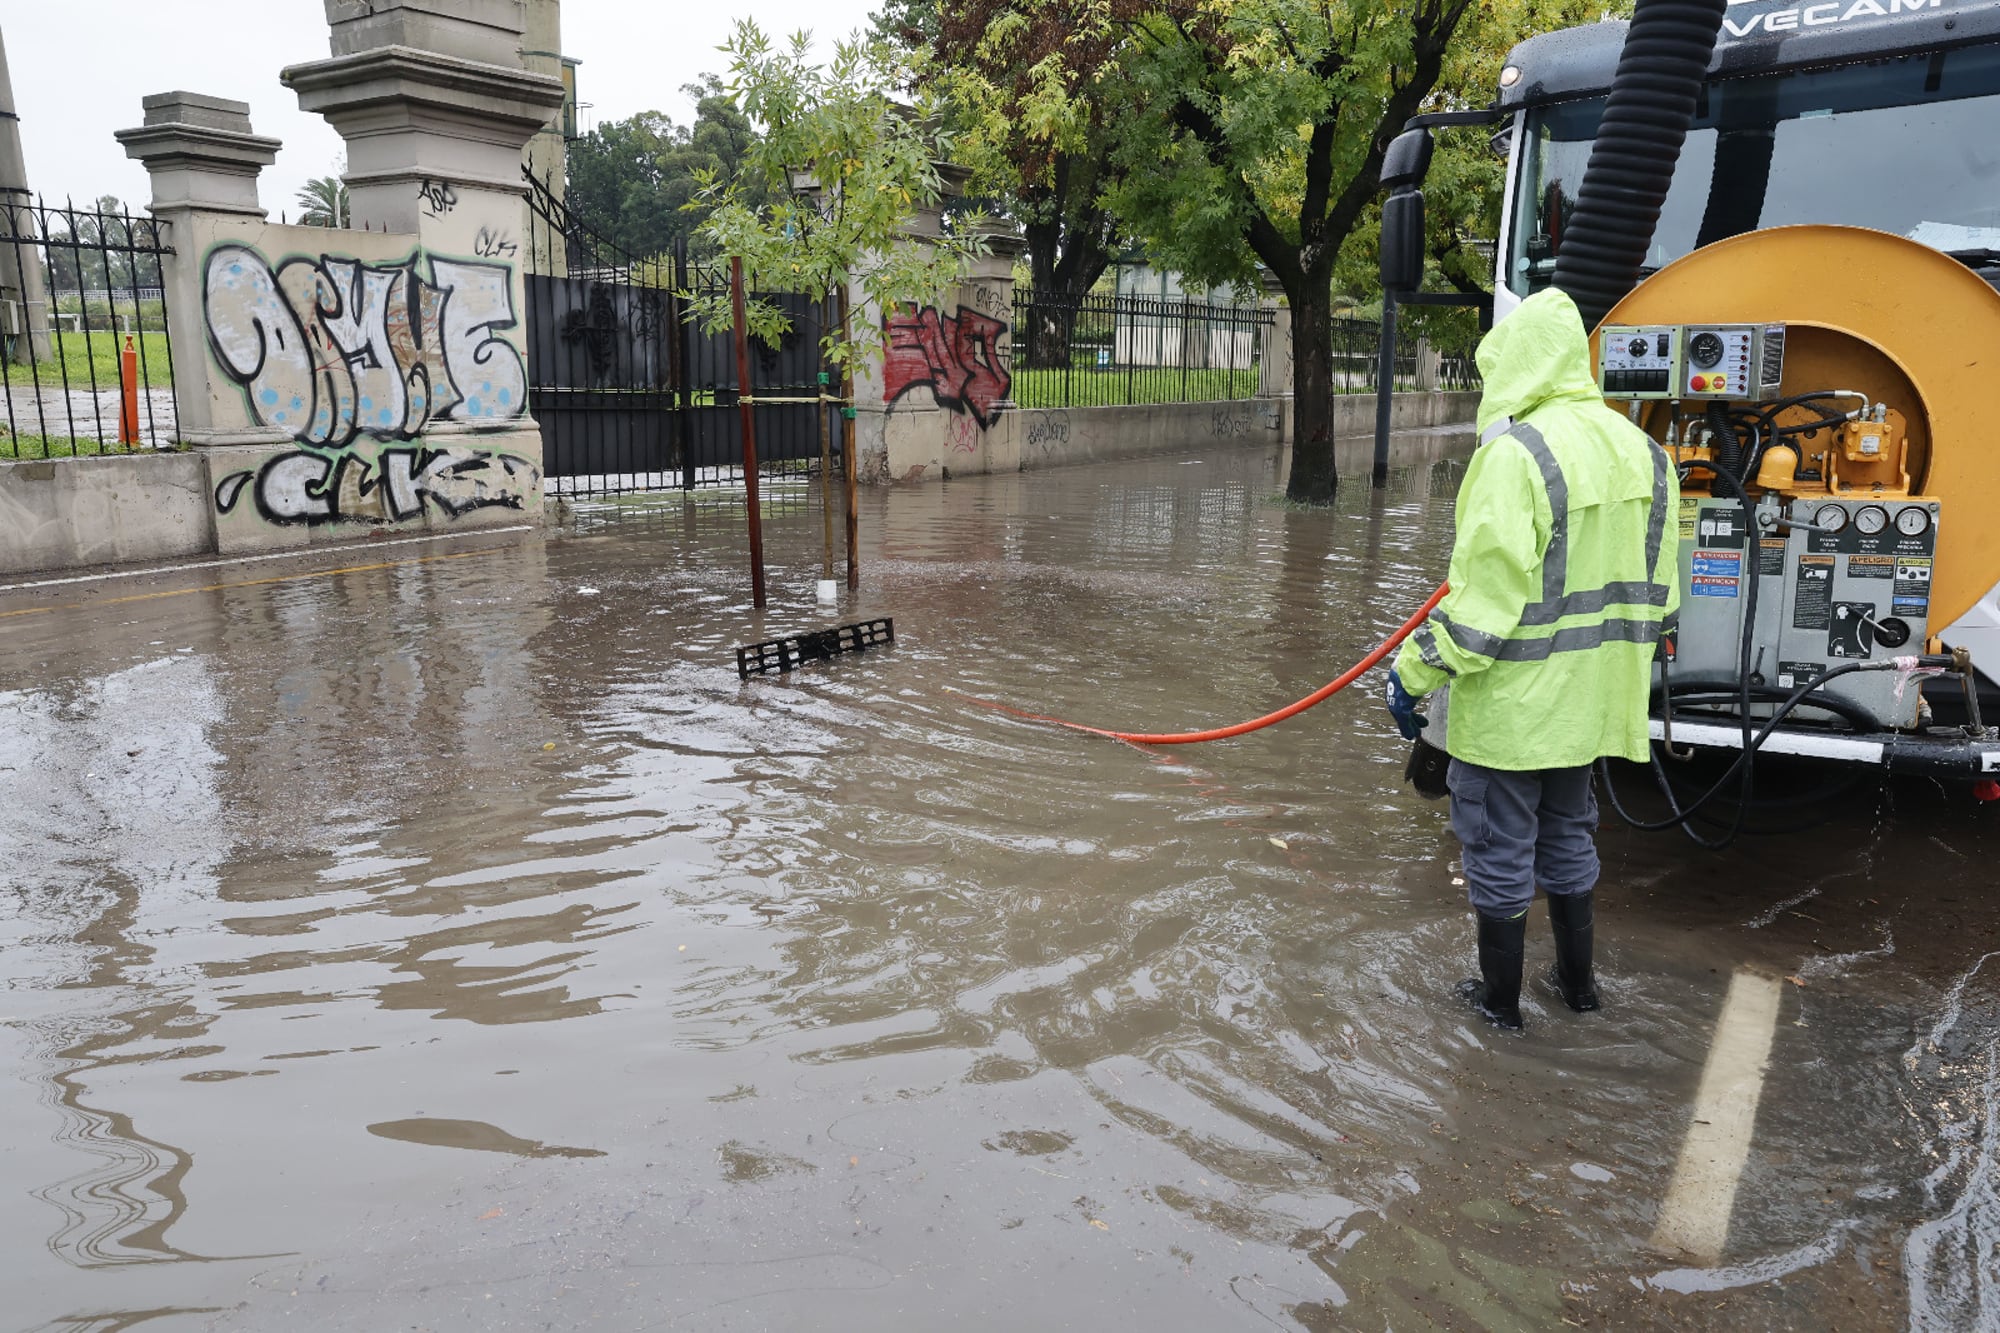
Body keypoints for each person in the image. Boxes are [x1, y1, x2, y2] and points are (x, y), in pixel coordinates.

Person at [1382, 288, 1679, 1031]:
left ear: (1519, 361)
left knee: (1497, 846)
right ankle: (1579, 990)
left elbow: (1479, 611)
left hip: (1513, 713)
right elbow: (1664, 600)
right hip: (1592, 708)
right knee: (1570, 834)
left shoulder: (1516, 457)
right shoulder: (1647, 454)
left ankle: (1500, 1007)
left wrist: (1410, 675)